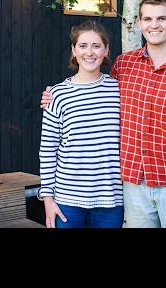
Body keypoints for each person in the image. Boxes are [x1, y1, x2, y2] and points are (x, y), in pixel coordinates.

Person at [40, 0, 166, 228]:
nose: (154, 25)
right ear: (139, 23)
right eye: (147, 19)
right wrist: (52, 96)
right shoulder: (125, 67)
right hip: (133, 188)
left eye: (161, 19)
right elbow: (89, 92)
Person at [38, 20, 123, 228]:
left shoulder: (120, 90)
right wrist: (48, 199)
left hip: (111, 198)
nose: (90, 52)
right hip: (67, 199)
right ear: (73, 51)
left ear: (106, 50)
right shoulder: (57, 94)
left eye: (96, 46)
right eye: (83, 46)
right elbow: (48, 149)